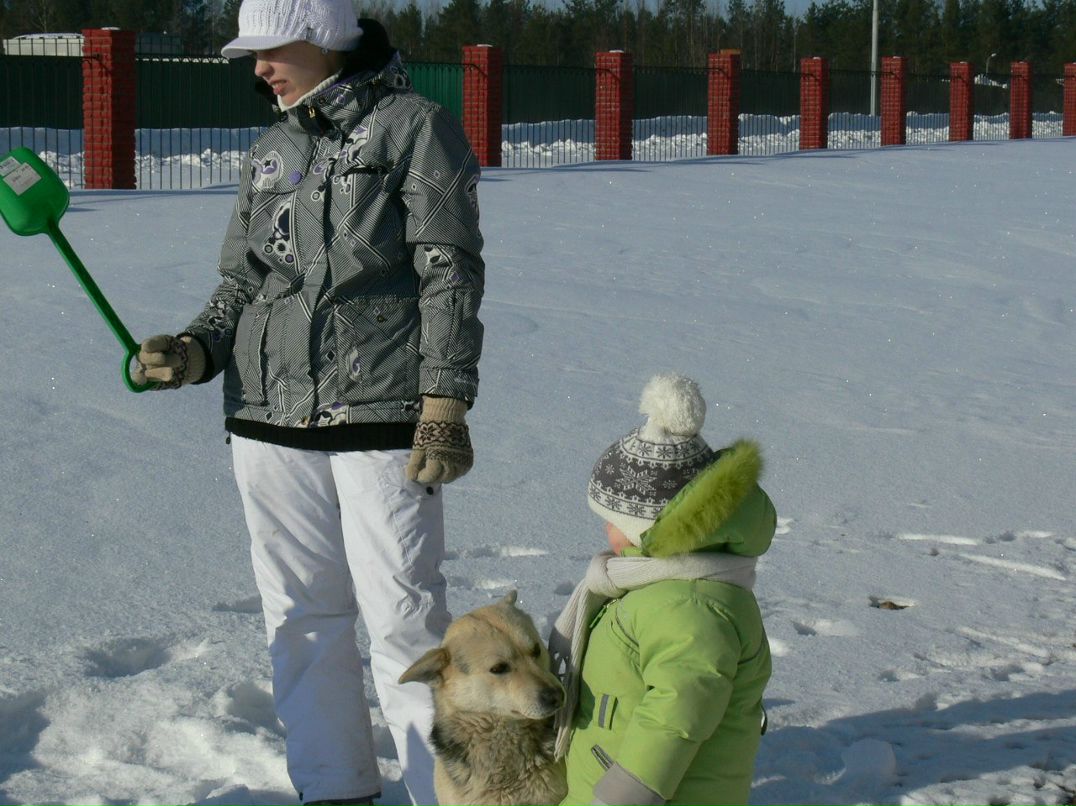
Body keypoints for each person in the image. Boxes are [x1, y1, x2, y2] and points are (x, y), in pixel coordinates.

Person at [132, 0, 484, 803]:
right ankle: (333, 787)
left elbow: (450, 272)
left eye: (272, 47)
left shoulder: (414, 127)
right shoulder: (271, 147)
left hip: (381, 414)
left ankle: (442, 791)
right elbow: (243, 282)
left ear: (326, 38)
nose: (257, 67)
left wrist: (445, 400)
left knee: (403, 617)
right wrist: (194, 351)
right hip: (264, 417)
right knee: (300, 616)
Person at [548, 374, 776, 806]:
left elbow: (677, 713)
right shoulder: (656, 586)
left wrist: (623, 794)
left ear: (650, 530)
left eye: (613, 520)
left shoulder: (690, 606)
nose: (605, 530)